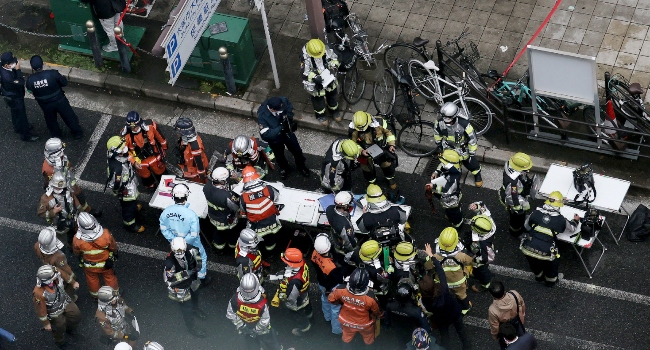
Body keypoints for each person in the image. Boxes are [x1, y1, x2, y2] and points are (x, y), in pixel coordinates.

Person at [520, 191, 579, 287]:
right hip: (546, 251)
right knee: (552, 264)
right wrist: (576, 220)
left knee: (533, 262)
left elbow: (526, 226)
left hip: (528, 246)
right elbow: (572, 228)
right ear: (559, 205)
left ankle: (539, 277)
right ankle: (550, 282)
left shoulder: (535, 213)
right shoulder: (560, 220)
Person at [159, 183, 210, 284]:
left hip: (175, 243)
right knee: (201, 258)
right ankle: (201, 278)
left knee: (178, 259)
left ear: (173, 196)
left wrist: (175, 240)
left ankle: (182, 276)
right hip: (193, 243)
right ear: (186, 196)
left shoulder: (166, 212)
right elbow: (194, 233)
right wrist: (184, 242)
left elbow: (164, 229)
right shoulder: (191, 215)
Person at [419, 252, 471, 350]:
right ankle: (467, 347)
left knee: (444, 336)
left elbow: (426, 310)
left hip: (441, 319)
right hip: (455, 312)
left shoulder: (426, 300)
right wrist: (432, 257)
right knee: (461, 331)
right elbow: (441, 272)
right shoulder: (443, 289)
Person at [349, 111, 403, 203]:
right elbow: (352, 143)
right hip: (365, 153)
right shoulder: (353, 128)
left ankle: (390, 180)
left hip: (381, 150)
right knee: (367, 169)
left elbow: (389, 133)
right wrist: (361, 151)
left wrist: (391, 145)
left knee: (387, 166)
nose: (361, 131)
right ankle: (372, 183)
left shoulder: (380, 122)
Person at [26, 55, 84, 139]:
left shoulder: (30, 80)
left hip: (45, 104)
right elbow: (64, 83)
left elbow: (30, 91)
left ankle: (56, 136)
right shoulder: (53, 73)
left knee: (51, 120)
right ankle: (77, 132)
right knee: (69, 116)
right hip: (59, 100)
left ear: (32, 67)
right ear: (43, 64)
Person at [42, 138, 100, 217]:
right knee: (68, 203)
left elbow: (67, 164)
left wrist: (70, 170)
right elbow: (48, 180)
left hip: (68, 177)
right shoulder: (48, 169)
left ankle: (87, 210)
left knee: (78, 192)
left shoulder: (61, 158)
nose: (63, 152)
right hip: (60, 186)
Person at [226, 273, 286, 350]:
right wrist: (256, 330)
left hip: (246, 329)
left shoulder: (234, 299)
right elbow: (265, 320)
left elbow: (230, 314)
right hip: (262, 330)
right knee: (272, 343)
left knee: (252, 345)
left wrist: (242, 326)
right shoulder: (261, 303)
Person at [164, 237, 207, 338]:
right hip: (180, 287)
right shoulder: (169, 263)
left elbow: (199, 258)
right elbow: (169, 280)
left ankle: (195, 309)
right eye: (177, 252)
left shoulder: (192, 249)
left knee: (196, 295)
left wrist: (198, 265)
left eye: (182, 251)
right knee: (186, 308)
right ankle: (191, 327)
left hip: (192, 280)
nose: (180, 254)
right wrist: (187, 273)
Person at [328, 268, 383, 347]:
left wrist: (342, 303)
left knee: (346, 338)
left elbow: (331, 299)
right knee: (369, 339)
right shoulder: (370, 298)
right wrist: (382, 315)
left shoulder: (341, 290)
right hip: (365, 325)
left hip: (346, 321)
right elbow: (377, 311)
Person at [257, 96, 310, 179]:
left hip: (287, 133)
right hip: (275, 139)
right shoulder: (262, 115)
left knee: (297, 151)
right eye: (279, 110)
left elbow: (289, 106)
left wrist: (289, 118)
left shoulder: (282, 101)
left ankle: (301, 166)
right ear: (271, 109)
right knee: (279, 155)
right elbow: (266, 134)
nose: (281, 111)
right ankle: (284, 168)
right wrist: (281, 127)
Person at [433, 102, 483, 187]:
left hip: (463, 148)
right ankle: (445, 175)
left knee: (471, 163)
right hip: (448, 148)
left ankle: (477, 174)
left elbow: (472, 138)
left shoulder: (464, 124)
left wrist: (471, 153)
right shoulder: (439, 122)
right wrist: (439, 144)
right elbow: (437, 133)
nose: (446, 121)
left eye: (448, 118)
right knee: (447, 162)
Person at [32, 264, 81, 350]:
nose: (56, 275)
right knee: (59, 326)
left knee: (75, 314)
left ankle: (70, 329)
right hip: (54, 311)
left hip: (64, 300)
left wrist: (73, 283)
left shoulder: (55, 272)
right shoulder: (38, 293)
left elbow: (64, 275)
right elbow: (41, 310)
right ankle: (60, 341)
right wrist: (46, 323)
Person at [72, 212, 120, 299]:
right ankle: (114, 295)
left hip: (89, 265)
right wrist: (115, 254)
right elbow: (113, 247)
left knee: (92, 279)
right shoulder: (105, 234)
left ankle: (96, 297)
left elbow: (76, 252)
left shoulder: (77, 239)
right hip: (106, 263)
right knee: (110, 277)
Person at [428, 227, 474, 315]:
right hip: (459, 282)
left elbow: (428, 266)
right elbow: (469, 261)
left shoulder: (436, 256)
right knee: (461, 295)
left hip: (441, 282)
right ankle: (465, 308)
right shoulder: (461, 255)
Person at [269, 248, 313, 336]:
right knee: (307, 306)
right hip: (304, 293)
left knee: (298, 314)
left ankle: (304, 328)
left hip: (297, 301)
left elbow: (291, 298)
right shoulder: (302, 263)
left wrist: (281, 295)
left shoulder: (295, 281)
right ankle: (310, 315)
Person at [106, 136, 144, 233]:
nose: (125, 147)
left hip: (130, 184)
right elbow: (115, 184)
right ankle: (130, 224)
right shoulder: (116, 169)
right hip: (126, 191)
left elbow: (128, 156)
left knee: (132, 203)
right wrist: (121, 192)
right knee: (128, 208)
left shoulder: (119, 155)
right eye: (123, 147)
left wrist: (134, 163)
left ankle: (134, 207)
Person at [120, 111, 168, 188]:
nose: (134, 129)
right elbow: (124, 152)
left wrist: (164, 149)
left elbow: (161, 138)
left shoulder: (150, 126)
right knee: (147, 179)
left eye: (136, 126)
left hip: (155, 158)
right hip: (140, 163)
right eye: (132, 127)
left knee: (163, 176)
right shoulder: (125, 136)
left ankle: (166, 186)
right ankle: (152, 187)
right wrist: (133, 162)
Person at [38, 171, 85, 247]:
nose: (61, 190)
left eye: (62, 188)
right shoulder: (46, 198)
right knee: (62, 242)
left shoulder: (67, 190)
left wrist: (82, 212)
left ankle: (73, 244)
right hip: (59, 224)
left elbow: (75, 201)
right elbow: (41, 213)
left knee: (74, 234)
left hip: (73, 218)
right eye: (58, 188)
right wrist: (53, 211)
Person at [239, 166, 281, 251]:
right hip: (271, 222)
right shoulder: (268, 189)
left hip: (256, 226)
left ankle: (258, 251)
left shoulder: (243, 197)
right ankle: (271, 252)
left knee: (255, 240)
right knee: (270, 239)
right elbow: (276, 198)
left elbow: (243, 213)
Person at [311, 233, 345, 335]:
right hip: (332, 287)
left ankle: (327, 317)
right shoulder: (331, 267)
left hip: (322, 283)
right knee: (335, 308)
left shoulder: (314, 254)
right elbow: (338, 279)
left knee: (325, 299)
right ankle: (337, 330)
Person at [0, 51, 39, 142]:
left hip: (8, 95)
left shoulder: (2, 68)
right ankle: (26, 135)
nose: (15, 63)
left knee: (14, 112)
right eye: (13, 63)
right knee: (22, 116)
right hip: (15, 97)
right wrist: (18, 70)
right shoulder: (7, 77)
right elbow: (20, 82)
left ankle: (17, 127)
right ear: (6, 65)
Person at [301, 39, 340, 124]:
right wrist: (315, 77)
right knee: (318, 101)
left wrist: (334, 68)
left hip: (329, 79)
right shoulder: (305, 57)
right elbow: (304, 73)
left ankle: (334, 111)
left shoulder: (326, 48)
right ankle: (321, 116)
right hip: (316, 84)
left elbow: (335, 59)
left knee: (332, 95)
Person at [34, 227, 79, 300]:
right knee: (67, 287)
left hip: (48, 269)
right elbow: (65, 269)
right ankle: (70, 299)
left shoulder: (37, 245)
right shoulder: (58, 257)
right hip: (58, 274)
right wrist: (73, 279)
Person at [203, 166, 241, 254]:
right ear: (222, 181)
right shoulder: (226, 197)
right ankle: (232, 247)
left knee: (218, 234)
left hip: (213, 217)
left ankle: (219, 250)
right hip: (226, 220)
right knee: (232, 234)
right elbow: (235, 207)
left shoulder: (207, 187)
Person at [500, 152, 535, 237]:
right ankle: (515, 232)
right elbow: (512, 198)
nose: (528, 171)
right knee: (516, 219)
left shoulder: (511, 164)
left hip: (510, 194)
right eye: (526, 169)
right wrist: (519, 208)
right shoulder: (513, 183)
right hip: (513, 201)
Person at [426, 149, 463, 227]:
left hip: (451, 201)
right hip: (450, 196)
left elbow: (447, 190)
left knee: (453, 213)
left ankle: (457, 224)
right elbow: (442, 165)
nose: (442, 163)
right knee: (450, 211)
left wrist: (434, 186)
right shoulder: (453, 166)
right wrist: (437, 172)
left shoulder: (454, 179)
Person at [467, 202, 497, 293]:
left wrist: (475, 260)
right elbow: (482, 206)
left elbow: (488, 258)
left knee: (482, 271)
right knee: (477, 270)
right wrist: (476, 206)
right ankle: (476, 272)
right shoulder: (487, 220)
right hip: (481, 249)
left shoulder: (483, 244)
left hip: (481, 258)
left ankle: (485, 284)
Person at [488, 281, 526, 349]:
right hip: (517, 321)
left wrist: (495, 336)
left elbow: (495, 326)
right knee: (522, 339)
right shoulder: (514, 294)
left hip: (505, 328)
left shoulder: (492, 309)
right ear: (504, 289)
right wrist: (522, 313)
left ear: (492, 295)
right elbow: (522, 303)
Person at [174, 117, 208, 183]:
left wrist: (201, 175)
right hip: (188, 165)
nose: (177, 133)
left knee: (197, 183)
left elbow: (199, 163)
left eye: (178, 132)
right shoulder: (186, 138)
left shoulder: (195, 148)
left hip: (193, 171)